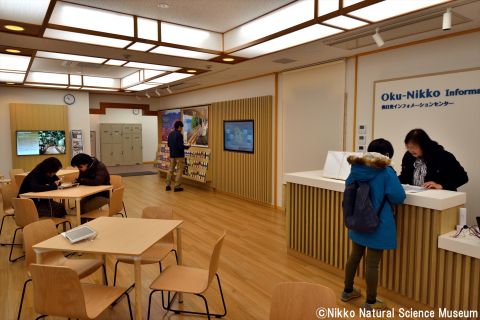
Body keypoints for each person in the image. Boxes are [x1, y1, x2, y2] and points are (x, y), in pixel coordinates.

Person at [342, 139, 406, 311]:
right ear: (386, 155)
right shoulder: (386, 172)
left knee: (354, 257)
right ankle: (371, 302)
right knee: (372, 264)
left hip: (358, 219)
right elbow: (398, 197)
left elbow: (348, 186)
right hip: (378, 222)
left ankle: (347, 291)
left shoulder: (355, 168)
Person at [398, 129, 468, 191]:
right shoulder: (409, 156)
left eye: (414, 148)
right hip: (417, 196)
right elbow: (404, 177)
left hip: (441, 197)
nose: (411, 151)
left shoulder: (443, 156)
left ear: (423, 145)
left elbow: (462, 177)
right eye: (408, 147)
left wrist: (441, 185)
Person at [166, 121, 190, 192]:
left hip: (172, 155)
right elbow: (180, 146)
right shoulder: (179, 135)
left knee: (170, 170)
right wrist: (187, 146)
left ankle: (167, 185)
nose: (182, 129)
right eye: (182, 127)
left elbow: (169, 145)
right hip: (179, 155)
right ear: (179, 127)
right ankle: (177, 186)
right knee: (179, 170)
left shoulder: (170, 134)